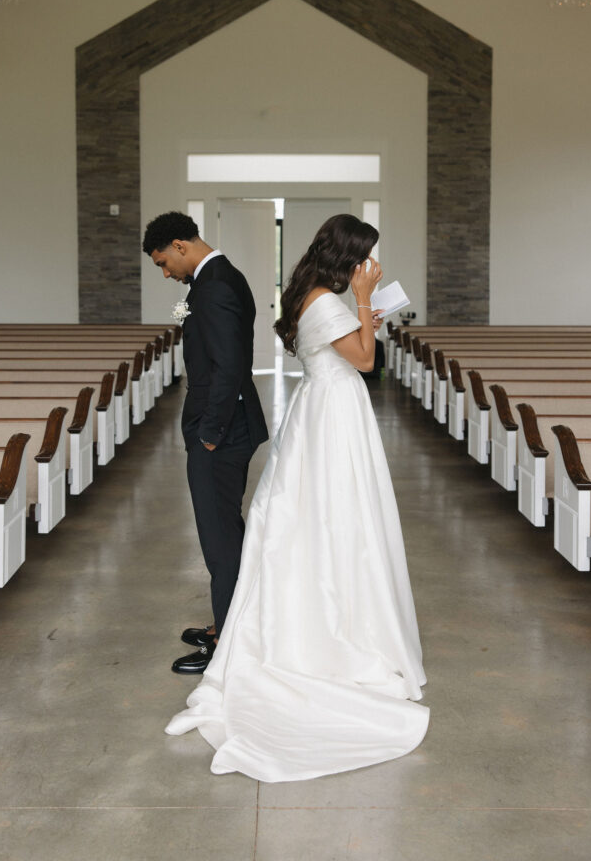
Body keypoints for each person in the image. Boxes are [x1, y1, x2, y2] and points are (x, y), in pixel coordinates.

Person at [164, 213, 429, 782]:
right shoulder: (331, 300)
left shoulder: (311, 293)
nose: (368, 268)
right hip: (334, 414)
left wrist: (364, 310)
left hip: (322, 408)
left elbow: (349, 346)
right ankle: (330, 631)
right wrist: (363, 300)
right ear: (348, 257)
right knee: (337, 519)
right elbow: (363, 360)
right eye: (364, 259)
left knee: (316, 518)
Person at [142, 211, 268, 675]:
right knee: (225, 534)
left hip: (222, 431)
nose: (165, 272)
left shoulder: (213, 285)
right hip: (230, 426)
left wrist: (209, 436)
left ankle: (229, 645)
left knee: (220, 542)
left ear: (179, 245)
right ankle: (227, 623)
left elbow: (227, 366)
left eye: (162, 262)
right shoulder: (219, 276)